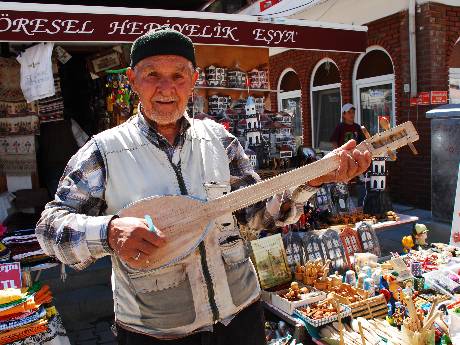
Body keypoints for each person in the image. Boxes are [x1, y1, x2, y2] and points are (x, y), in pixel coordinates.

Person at [36, 29, 371, 345]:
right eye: (153, 74)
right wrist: (108, 231)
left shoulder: (220, 141)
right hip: (156, 334)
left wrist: (310, 181)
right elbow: (49, 230)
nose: (166, 88)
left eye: (178, 75)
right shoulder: (104, 152)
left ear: (193, 80)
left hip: (240, 319)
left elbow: (256, 219)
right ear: (133, 80)